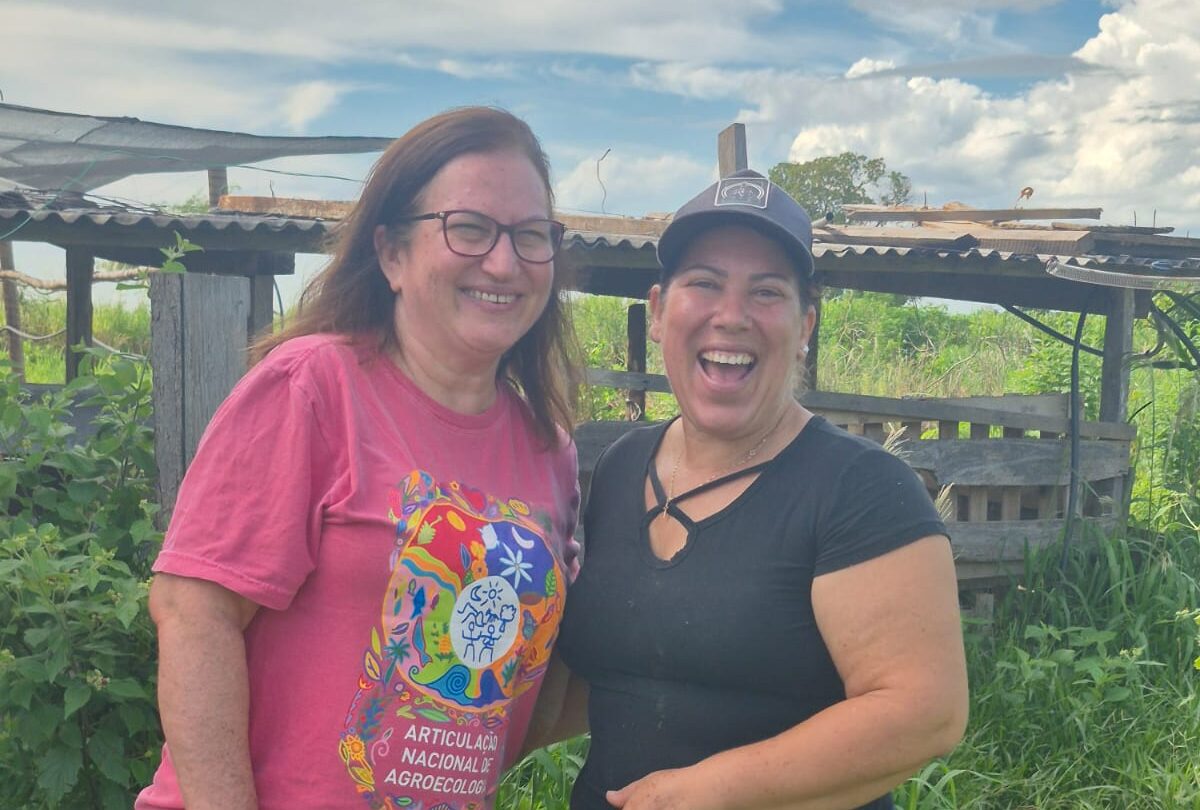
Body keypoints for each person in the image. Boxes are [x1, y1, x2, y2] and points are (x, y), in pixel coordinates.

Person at [137, 107, 581, 810]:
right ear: (391, 254)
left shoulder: (547, 451)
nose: (504, 263)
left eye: (530, 236)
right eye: (469, 228)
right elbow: (195, 615)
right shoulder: (313, 389)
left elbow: (509, 695)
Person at [553, 169, 969, 809]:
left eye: (766, 292)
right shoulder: (621, 466)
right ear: (658, 311)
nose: (731, 316)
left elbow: (924, 711)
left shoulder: (861, 489)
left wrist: (706, 793)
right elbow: (613, 674)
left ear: (805, 327)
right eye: (704, 283)